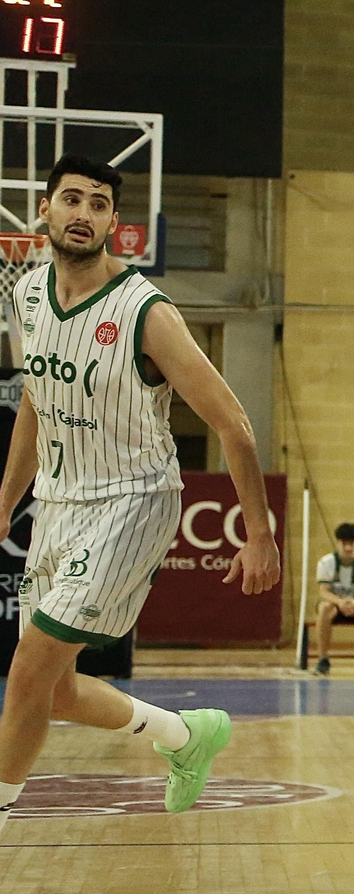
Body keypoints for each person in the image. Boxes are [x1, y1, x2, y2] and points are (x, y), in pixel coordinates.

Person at [0, 154, 281, 839]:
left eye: (99, 204)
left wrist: (259, 532)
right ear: (44, 210)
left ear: (114, 225)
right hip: (62, 503)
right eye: (72, 199)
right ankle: (186, 735)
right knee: (55, 691)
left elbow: (233, 421)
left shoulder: (144, 312)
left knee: (28, 667)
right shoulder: (28, 295)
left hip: (135, 497)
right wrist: (6, 499)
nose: (83, 213)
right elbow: (37, 400)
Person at [315, 524, 354, 675]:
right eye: (344, 543)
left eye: (352, 543)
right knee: (324, 608)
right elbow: (323, 592)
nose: (348, 547)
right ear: (338, 542)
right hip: (335, 604)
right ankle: (323, 658)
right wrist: (340, 602)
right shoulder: (326, 562)